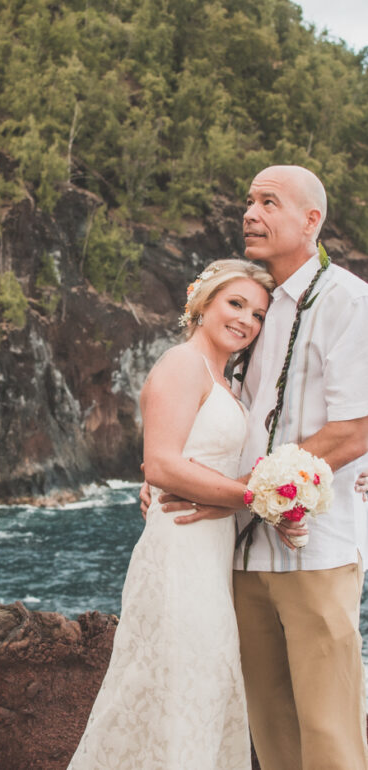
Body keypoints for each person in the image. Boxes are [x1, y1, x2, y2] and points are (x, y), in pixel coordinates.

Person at [141, 165, 368, 770]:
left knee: (330, 734)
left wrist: (236, 493)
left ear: (310, 220)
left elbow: (354, 430)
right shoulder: (254, 306)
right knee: (269, 733)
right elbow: (216, 412)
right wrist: (176, 472)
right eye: (248, 201)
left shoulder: (347, 301)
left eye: (269, 202)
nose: (250, 213)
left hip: (312, 550)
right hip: (236, 555)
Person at [68, 259, 274, 770]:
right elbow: (161, 462)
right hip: (180, 552)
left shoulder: (226, 380)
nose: (247, 319)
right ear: (202, 306)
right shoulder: (183, 365)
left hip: (210, 556)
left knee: (201, 689)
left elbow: (197, 458)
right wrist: (254, 500)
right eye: (236, 304)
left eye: (258, 314)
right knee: (178, 687)